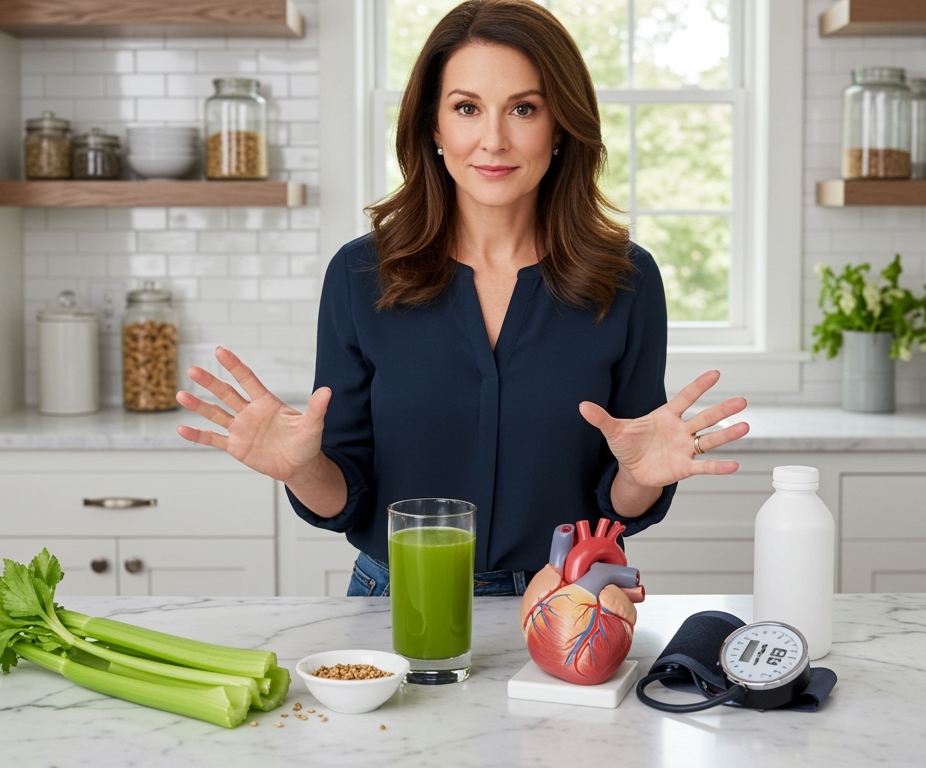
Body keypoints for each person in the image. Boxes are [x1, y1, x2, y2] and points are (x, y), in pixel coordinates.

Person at [177, 0, 749, 597]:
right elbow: (346, 492)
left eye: (523, 109)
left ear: (560, 126)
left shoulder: (626, 279)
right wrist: (302, 471)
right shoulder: (360, 273)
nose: (493, 140)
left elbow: (622, 498)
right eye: (467, 108)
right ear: (434, 125)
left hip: (566, 597)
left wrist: (640, 478)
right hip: (399, 596)